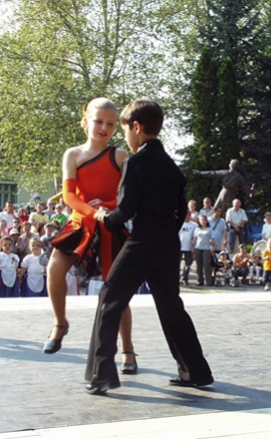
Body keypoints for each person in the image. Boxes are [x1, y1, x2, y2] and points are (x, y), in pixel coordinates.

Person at [85, 99, 213, 395]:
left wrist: (104, 217)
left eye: (125, 130)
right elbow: (181, 212)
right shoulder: (173, 167)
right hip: (168, 245)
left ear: (137, 127)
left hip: (141, 242)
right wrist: (165, 232)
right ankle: (195, 371)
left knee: (109, 300)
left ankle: (101, 375)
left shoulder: (135, 163)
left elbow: (124, 211)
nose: (126, 137)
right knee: (171, 306)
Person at [44, 97, 137, 377]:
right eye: (98, 121)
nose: (104, 128)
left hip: (109, 225)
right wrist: (93, 211)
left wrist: (106, 208)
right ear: (85, 122)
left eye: (111, 124)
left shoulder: (119, 156)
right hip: (80, 223)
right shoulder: (72, 155)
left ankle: (127, 348)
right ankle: (60, 323)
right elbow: (69, 196)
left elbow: (129, 195)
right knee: (54, 268)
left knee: (116, 289)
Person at [193, 215, 214, 287]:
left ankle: (209, 281)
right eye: (201, 220)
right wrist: (192, 247)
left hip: (206, 249)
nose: (203, 221)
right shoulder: (197, 229)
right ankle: (200, 281)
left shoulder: (209, 229)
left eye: (204, 220)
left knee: (207, 265)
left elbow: (212, 239)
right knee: (198, 266)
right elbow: (194, 239)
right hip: (198, 248)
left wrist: (212, 247)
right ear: (199, 221)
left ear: (206, 221)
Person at [179, 211, 197, 286]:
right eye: (186, 215)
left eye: (188, 215)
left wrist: (193, 247)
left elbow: (195, 237)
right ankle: (176, 278)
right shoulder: (178, 223)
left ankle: (184, 278)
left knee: (188, 264)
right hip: (179, 247)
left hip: (189, 247)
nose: (187, 217)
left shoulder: (194, 225)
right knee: (176, 264)